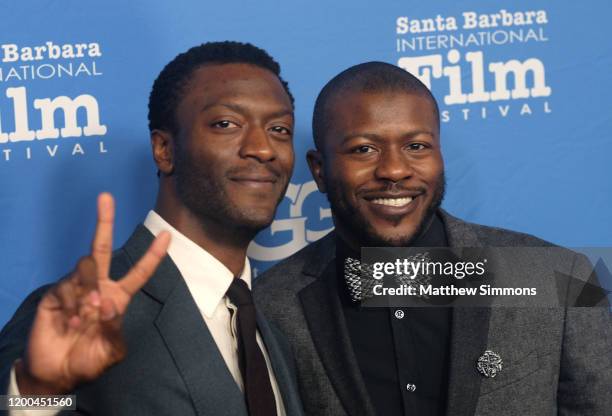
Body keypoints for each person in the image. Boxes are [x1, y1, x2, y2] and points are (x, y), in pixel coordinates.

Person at [253, 62, 612, 416]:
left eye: (417, 146)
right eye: (364, 149)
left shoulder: (560, 278)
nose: (394, 170)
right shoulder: (272, 304)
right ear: (319, 170)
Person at [0, 41, 303, 416]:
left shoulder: (270, 328)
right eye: (226, 124)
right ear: (164, 149)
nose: (263, 148)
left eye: (279, 129)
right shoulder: (80, 313)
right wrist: (36, 393)